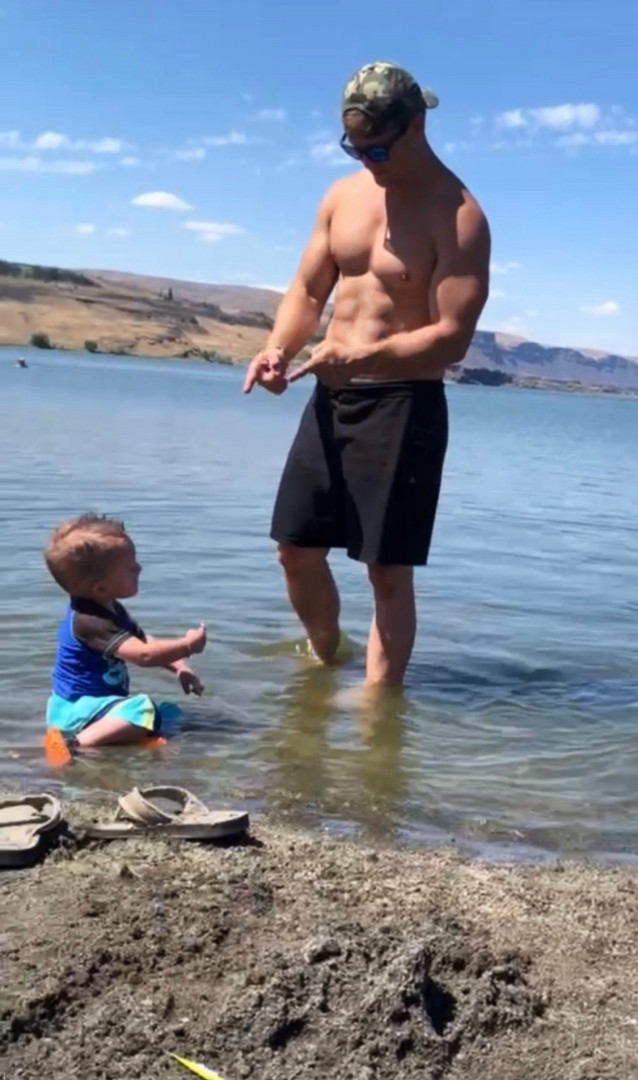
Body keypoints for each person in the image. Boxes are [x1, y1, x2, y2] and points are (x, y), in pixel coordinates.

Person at [243, 60, 491, 687]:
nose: (368, 160)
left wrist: (364, 358)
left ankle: (379, 712)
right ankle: (325, 662)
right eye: (355, 148)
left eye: (378, 147)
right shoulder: (342, 197)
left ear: (416, 126)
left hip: (404, 403)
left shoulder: (457, 215)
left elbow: (452, 338)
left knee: (386, 571)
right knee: (294, 551)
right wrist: (277, 349)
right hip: (330, 398)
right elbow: (308, 290)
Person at [43, 513, 207, 765]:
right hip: (75, 709)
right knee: (142, 707)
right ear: (100, 587)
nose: (139, 568)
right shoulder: (90, 621)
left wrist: (180, 667)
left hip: (97, 706)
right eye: (130, 567)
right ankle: (74, 745)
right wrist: (188, 646)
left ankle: (128, 739)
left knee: (170, 713)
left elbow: (143, 642)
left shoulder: (109, 607)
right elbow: (144, 655)